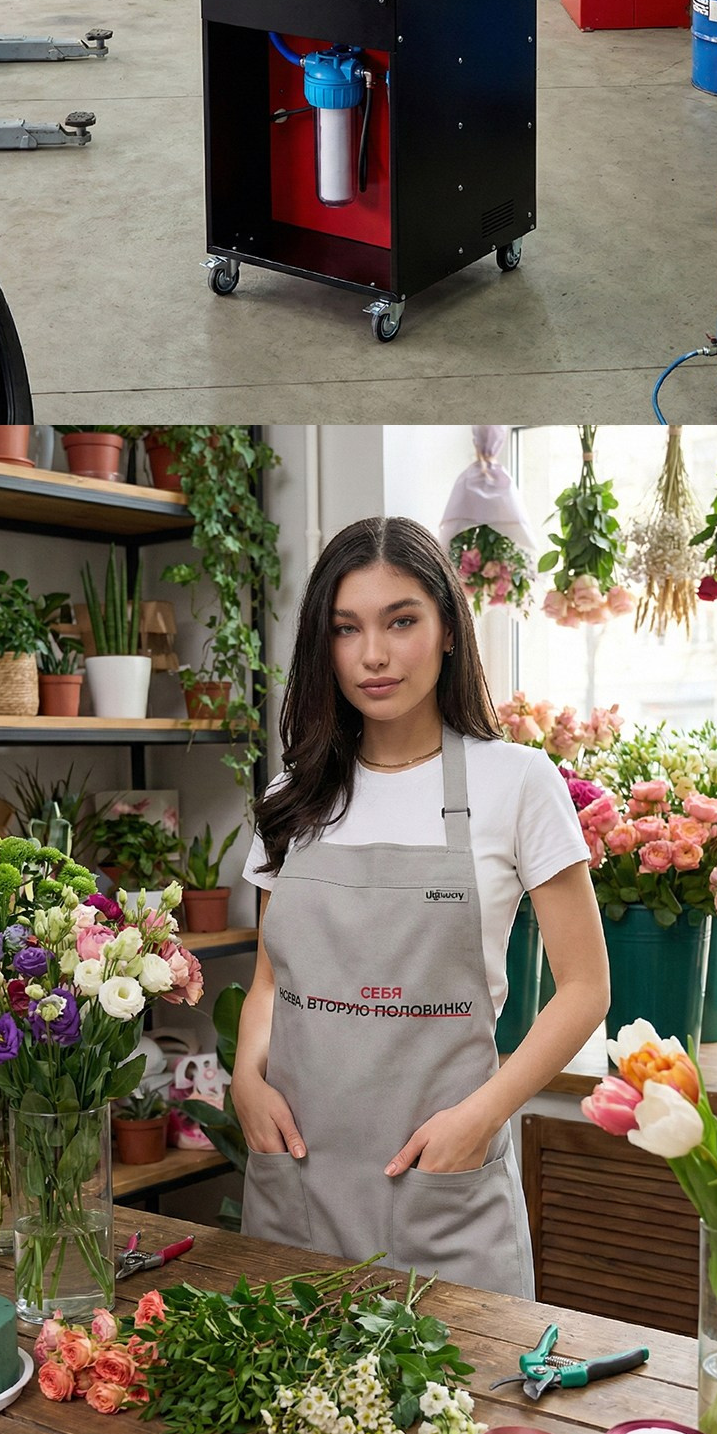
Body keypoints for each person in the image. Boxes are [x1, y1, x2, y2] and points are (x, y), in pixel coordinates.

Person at [234, 516, 607, 1297]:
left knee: (461, 1411)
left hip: (444, 1186)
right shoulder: (290, 799)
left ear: (445, 629)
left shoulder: (518, 783)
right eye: (347, 628)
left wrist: (484, 1117)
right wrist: (245, 1079)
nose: (374, 654)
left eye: (401, 621)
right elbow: (272, 981)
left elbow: (584, 988)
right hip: (299, 1178)